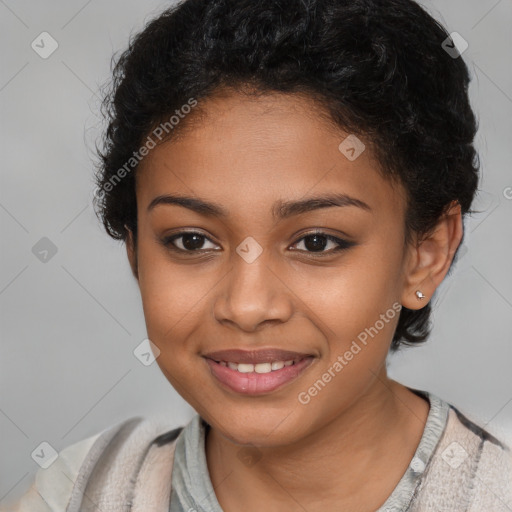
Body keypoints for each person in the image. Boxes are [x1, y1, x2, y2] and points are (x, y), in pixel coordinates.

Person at [5, 0, 511, 510]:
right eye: (191, 240)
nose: (247, 307)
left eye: (316, 242)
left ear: (426, 251)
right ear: (136, 251)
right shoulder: (76, 494)